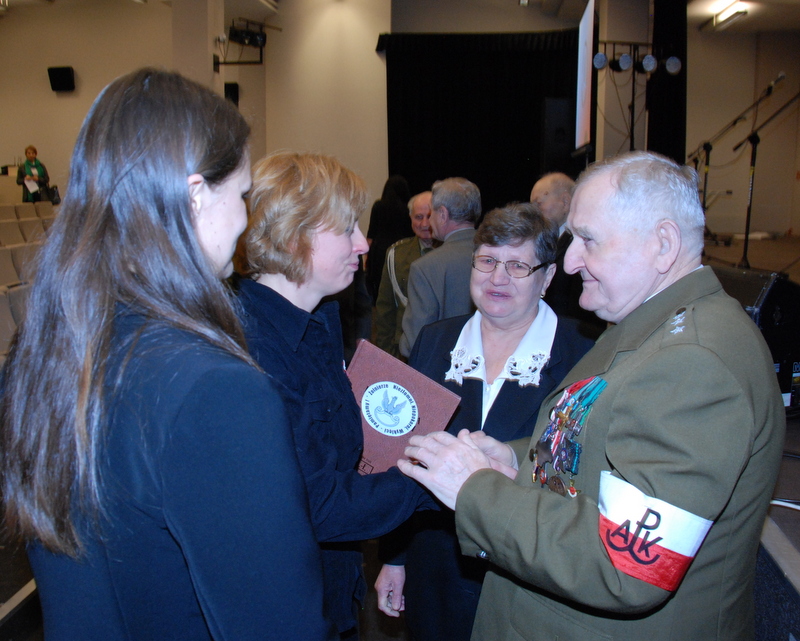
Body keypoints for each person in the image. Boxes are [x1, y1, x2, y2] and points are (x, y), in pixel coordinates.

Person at [397, 151, 786, 641]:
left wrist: (475, 488)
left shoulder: (694, 362)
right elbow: (602, 448)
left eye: (588, 240)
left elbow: (626, 564)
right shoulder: (650, 326)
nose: (570, 260)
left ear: (663, 245)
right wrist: (515, 459)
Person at [0, 69, 331, 640]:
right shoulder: (217, 391)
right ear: (195, 194)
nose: (246, 219)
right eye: (243, 196)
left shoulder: (41, 352)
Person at [234, 151, 434, 640]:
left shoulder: (317, 324)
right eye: (346, 229)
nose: (363, 243)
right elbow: (319, 505)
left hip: (334, 589)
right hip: (289, 609)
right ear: (293, 236)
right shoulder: (256, 349)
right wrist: (436, 478)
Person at [375, 203, 594, 641]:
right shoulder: (436, 341)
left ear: (548, 278)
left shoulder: (583, 353)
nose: (498, 278)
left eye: (518, 266)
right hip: (436, 565)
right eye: (488, 261)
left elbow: (582, 474)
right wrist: (394, 558)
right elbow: (405, 457)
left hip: (526, 576)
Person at [399, 177, 481, 357]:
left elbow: (415, 342)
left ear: (443, 214)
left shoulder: (425, 267)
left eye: (431, 214)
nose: (428, 222)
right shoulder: (499, 255)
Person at [532, 172, 606, 338]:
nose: (534, 213)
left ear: (565, 202)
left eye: (538, 204)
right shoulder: (547, 240)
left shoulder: (585, 241)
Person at [374, 191, 438, 358]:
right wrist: (386, 354)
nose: (425, 223)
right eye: (418, 217)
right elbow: (385, 309)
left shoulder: (454, 255)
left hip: (442, 349)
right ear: (410, 218)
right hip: (404, 349)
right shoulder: (397, 254)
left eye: (430, 216)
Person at [366, 175, 412, 302]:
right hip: (403, 249)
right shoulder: (408, 209)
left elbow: (371, 234)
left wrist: (367, 258)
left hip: (380, 250)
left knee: (381, 284)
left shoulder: (378, 206)